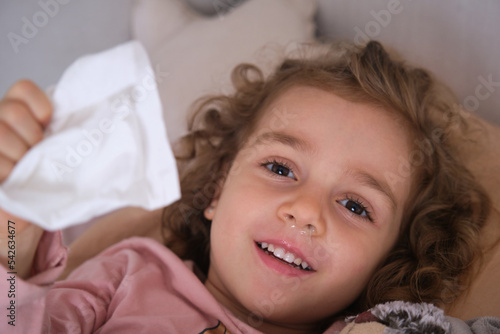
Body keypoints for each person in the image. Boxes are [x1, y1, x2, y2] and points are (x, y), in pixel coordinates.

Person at [0, 41, 492, 333]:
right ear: (216, 188)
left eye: (354, 205)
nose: (304, 211)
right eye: (280, 168)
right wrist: (11, 229)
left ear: (386, 263)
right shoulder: (131, 271)